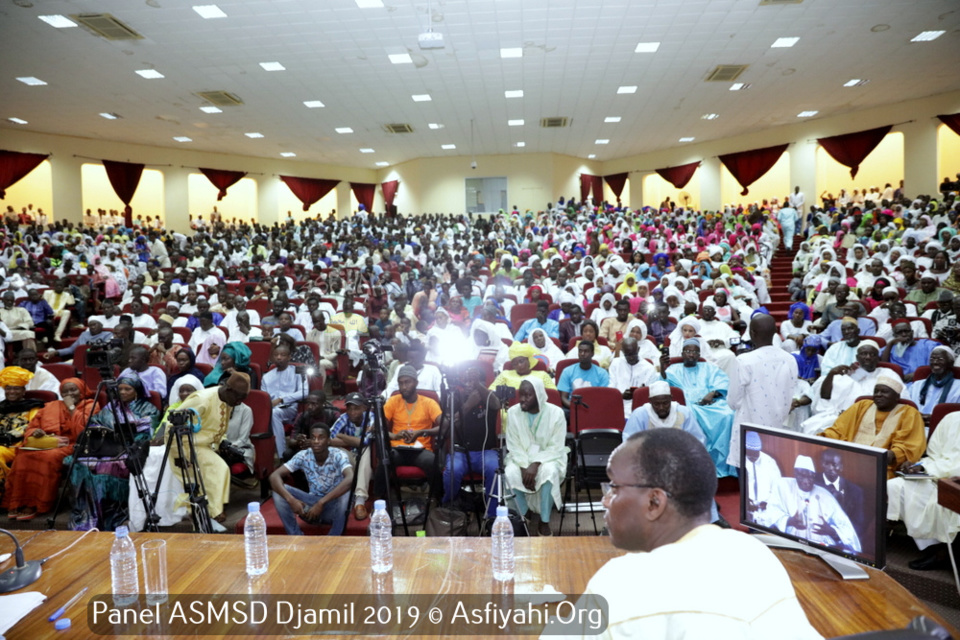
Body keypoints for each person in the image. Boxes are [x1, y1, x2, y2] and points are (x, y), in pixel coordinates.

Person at [550, 429, 821, 639]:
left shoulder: (622, 582)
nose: (605, 500)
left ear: (654, 502)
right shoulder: (754, 551)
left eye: (614, 487)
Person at [172, 371, 251, 531]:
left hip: (205, 445)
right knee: (218, 469)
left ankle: (211, 512)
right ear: (228, 389)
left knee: (220, 469)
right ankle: (208, 512)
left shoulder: (227, 399)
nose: (239, 403)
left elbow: (217, 427)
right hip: (185, 444)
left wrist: (223, 443)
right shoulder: (201, 399)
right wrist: (178, 453)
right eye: (238, 398)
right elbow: (173, 426)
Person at [2, 376, 87, 520]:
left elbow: (83, 431)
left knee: (47, 458)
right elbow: (31, 427)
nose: (69, 394)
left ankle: (36, 504)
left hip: (71, 444)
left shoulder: (90, 405)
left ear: (82, 391)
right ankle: (18, 501)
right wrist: (36, 432)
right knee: (22, 456)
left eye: (73, 390)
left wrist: (71, 408)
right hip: (46, 443)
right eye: (65, 392)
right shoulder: (51, 406)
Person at [887, 412, 960, 571]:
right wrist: (918, 466)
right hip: (937, 473)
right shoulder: (951, 418)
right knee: (896, 486)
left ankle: (946, 551)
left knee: (943, 502)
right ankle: (934, 548)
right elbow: (933, 454)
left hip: (955, 480)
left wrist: (928, 468)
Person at [819, 375, 925, 479]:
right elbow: (839, 430)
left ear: (897, 397)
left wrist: (893, 454)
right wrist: (823, 438)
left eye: (884, 392)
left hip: (882, 467)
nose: (878, 395)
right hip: (847, 461)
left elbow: (909, 445)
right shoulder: (861, 406)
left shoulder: (909, 413)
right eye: (876, 391)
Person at [727, 314, 798, 468]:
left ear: (751, 333)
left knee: (747, 475)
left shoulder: (744, 361)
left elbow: (733, 402)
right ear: (775, 332)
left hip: (749, 429)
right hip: (777, 429)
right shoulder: (790, 359)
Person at [662, 339, 737, 477]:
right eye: (688, 351)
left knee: (728, 415)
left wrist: (712, 393)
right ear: (682, 353)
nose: (691, 354)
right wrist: (662, 370)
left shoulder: (709, 367)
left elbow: (723, 382)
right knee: (688, 414)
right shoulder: (673, 369)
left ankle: (722, 464)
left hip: (711, 404)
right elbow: (662, 386)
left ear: (699, 354)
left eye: (695, 352)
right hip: (687, 404)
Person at [504, 378, 567, 536]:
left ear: (538, 395)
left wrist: (535, 464)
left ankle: (544, 521)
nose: (522, 399)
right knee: (510, 472)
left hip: (549, 457)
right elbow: (513, 444)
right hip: (520, 456)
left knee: (549, 472)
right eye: (521, 394)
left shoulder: (556, 413)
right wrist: (524, 466)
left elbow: (556, 446)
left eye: (528, 395)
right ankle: (524, 513)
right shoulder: (512, 412)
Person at [765, 455, 861, 552]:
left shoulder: (825, 495)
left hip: (821, 548)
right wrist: (789, 521)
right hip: (791, 544)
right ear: (795, 474)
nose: (807, 481)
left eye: (810, 477)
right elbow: (770, 513)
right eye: (802, 476)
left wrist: (832, 531)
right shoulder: (783, 486)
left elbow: (847, 528)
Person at [270, 424, 353, 536]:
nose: (316, 441)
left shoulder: (338, 455)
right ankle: (296, 536)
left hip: (334, 508)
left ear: (328, 441)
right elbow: (274, 476)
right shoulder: (303, 455)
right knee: (278, 490)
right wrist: (291, 500)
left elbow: (350, 478)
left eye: (321, 438)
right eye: (313, 438)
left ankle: (334, 538)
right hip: (311, 506)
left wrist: (321, 503)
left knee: (347, 493)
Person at [441, 365, 501, 519]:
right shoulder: (455, 397)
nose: (469, 385)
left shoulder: (489, 397)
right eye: (467, 381)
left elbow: (497, 405)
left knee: (495, 469)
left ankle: (492, 515)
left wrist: (478, 386)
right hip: (461, 451)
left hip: (486, 451)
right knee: (453, 470)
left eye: (473, 381)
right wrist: (468, 405)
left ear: (482, 383)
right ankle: (450, 507)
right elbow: (447, 426)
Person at [261, 342, 308, 458]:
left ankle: (282, 455)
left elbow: (304, 392)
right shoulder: (266, 377)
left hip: (290, 408)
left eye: (282, 355)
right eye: (276, 355)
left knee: (275, 413)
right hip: (270, 408)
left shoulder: (297, 372)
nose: (279, 357)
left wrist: (282, 399)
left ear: (289, 357)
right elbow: (264, 397)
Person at [623, 380, 704, 442]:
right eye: (656, 404)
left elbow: (698, 440)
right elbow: (629, 441)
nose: (661, 407)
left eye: (665, 403)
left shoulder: (684, 412)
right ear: (650, 401)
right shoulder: (639, 414)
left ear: (671, 399)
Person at [815, 449, 865, 539]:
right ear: (822, 464)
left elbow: (858, 525)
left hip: (841, 539)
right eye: (827, 464)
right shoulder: (812, 482)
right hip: (815, 534)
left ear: (841, 467)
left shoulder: (855, 491)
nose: (830, 468)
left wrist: (836, 533)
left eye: (834, 465)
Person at [608, 337, 659, 416]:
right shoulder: (616, 364)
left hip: (641, 408)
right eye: (627, 355)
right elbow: (611, 389)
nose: (631, 357)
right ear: (622, 351)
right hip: (618, 405)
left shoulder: (649, 368)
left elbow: (653, 393)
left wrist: (641, 393)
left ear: (638, 350)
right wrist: (621, 395)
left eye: (633, 354)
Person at [742, 431, 782, 527]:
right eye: (749, 455)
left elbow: (778, 488)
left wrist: (768, 502)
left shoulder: (769, 462)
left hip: (767, 508)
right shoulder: (741, 460)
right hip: (747, 509)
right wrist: (745, 501)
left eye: (755, 455)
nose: (752, 458)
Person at [907, 346, 960, 416]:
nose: (935, 362)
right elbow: (906, 407)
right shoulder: (917, 385)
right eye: (932, 359)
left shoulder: (958, 387)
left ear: (951, 363)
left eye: (940, 359)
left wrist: (935, 418)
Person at [557, 340, 610, 409]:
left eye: (586, 351)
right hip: (572, 408)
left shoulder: (602, 373)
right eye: (580, 351)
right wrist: (577, 410)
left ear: (592, 354)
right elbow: (563, 398)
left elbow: (603, 397)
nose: (582, 354)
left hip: (595, 408)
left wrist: (590, 409)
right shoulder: (567, 371)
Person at [488, 341, 557, 391]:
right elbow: (491, 391)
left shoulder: (542, 375)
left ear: (529, 361)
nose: (519, 365)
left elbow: (553, 394)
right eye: (515, 364)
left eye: (521, 361)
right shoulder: (505, 374)